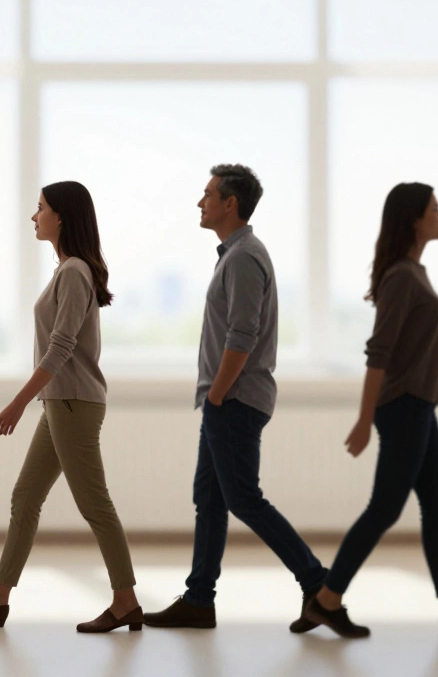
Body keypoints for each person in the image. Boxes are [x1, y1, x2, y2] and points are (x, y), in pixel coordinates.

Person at [301, 183, 438, 638]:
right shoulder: (401, 277)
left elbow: (435, 351)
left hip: (420, 407)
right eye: (436, 209)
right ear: (415, 219)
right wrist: (363, 418)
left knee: (437, 504)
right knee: (385, 508)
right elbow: (379, 351)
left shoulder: (415, 274)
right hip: (403, 408)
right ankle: (327, 600)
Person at [145, 164, 328, 633]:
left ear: (230, 203)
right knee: (209, 498)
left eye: (208, 194)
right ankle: (198, 600)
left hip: (235, 400)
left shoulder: (244, 257)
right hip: (227, 400)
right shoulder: (235, 254)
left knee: (243, 498)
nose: (200, 202)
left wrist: (218, 394)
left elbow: (242, 335)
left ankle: (319, 584)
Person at [0, 181, 143, 633]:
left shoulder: (74, 272)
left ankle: (126, 601)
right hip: (60, 404)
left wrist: (17, 402)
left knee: (94, 504)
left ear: (62, 216)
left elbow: (61, 347)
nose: (34, 216)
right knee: (26, 496)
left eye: (41, 208)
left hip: (73, 404)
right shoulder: (68, 270)